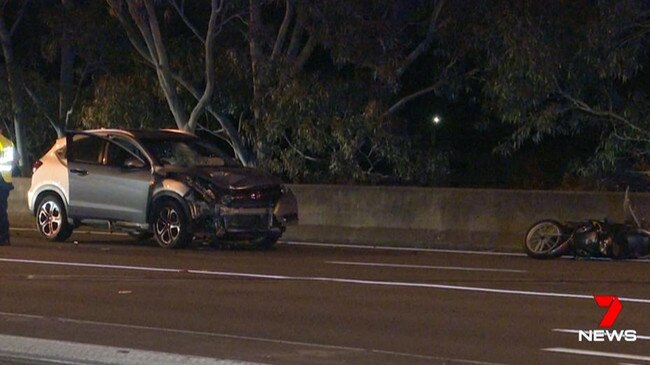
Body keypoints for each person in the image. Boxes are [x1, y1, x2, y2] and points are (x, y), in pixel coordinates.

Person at [0, 126, 15, 245]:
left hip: (1, 181)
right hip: (6, 181)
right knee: (2, 209)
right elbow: (16, 158)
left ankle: (3, 237)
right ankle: (5, 237)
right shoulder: (8, 143)